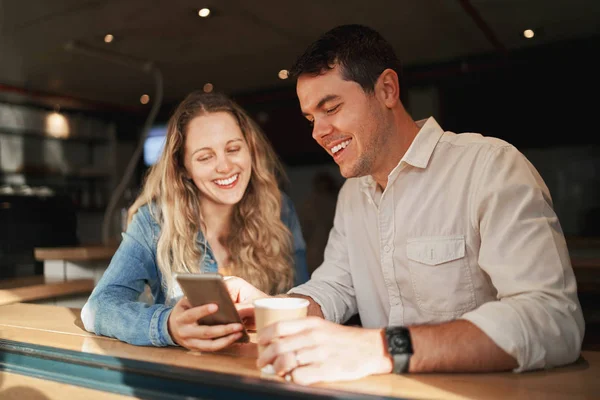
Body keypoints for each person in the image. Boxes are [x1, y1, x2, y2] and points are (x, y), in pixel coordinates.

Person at [226, 24, 584, 385]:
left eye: (330, 107)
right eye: (311, 118)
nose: (318, 131)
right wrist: (271, 308)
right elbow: (336, 285)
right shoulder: (353, 194)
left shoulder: (490, 168)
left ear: (386, 90)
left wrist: (380, 348)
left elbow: (552, 320)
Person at [81, 91, 309, 351]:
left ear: (250, 150)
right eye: (205, 157)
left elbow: (305, 300)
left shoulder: (280, 210)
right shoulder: (155, 222)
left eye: (233, 149)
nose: (224, 166)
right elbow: (98, 307)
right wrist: (167, 326)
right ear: (183, 168)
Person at [298, 170, 340, 275]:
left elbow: (302, 231)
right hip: (321, 253)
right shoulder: (335, 203)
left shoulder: (310, 203)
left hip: (319, 252)